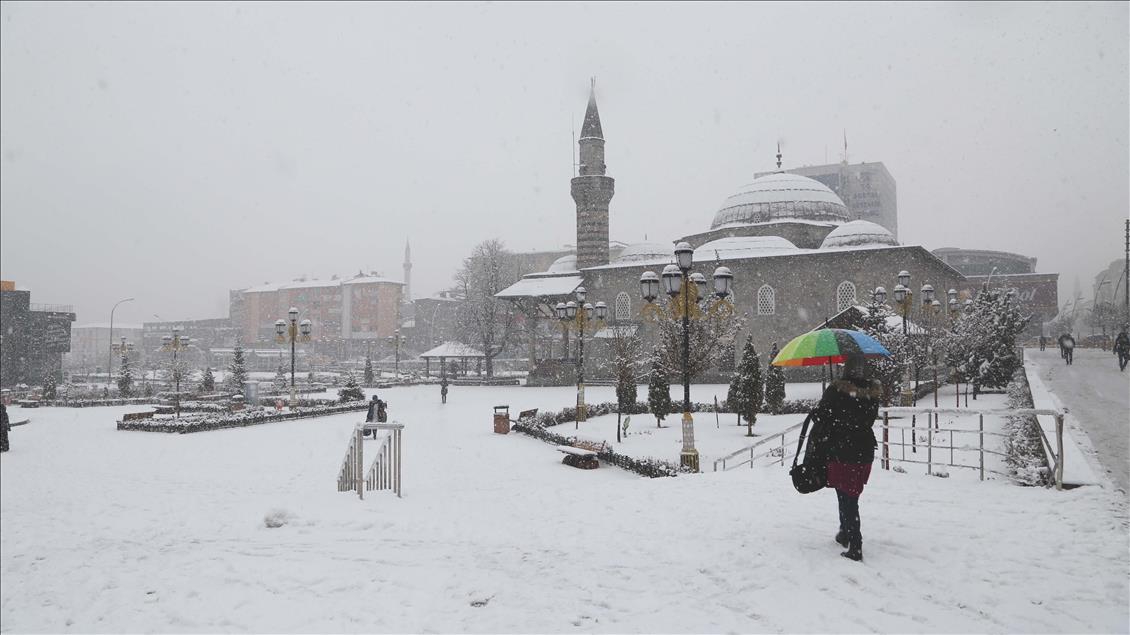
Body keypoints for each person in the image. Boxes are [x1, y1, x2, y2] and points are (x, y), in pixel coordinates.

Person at [810, 353, 881, 562]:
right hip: (864, 450)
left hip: (842, 449)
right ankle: (844, 531)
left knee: (846, 496)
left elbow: (823, 416)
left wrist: (825, 405)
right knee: (850, 493)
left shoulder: (837, 390)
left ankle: (855, 544)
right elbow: (866, 419)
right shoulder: (872, 392)